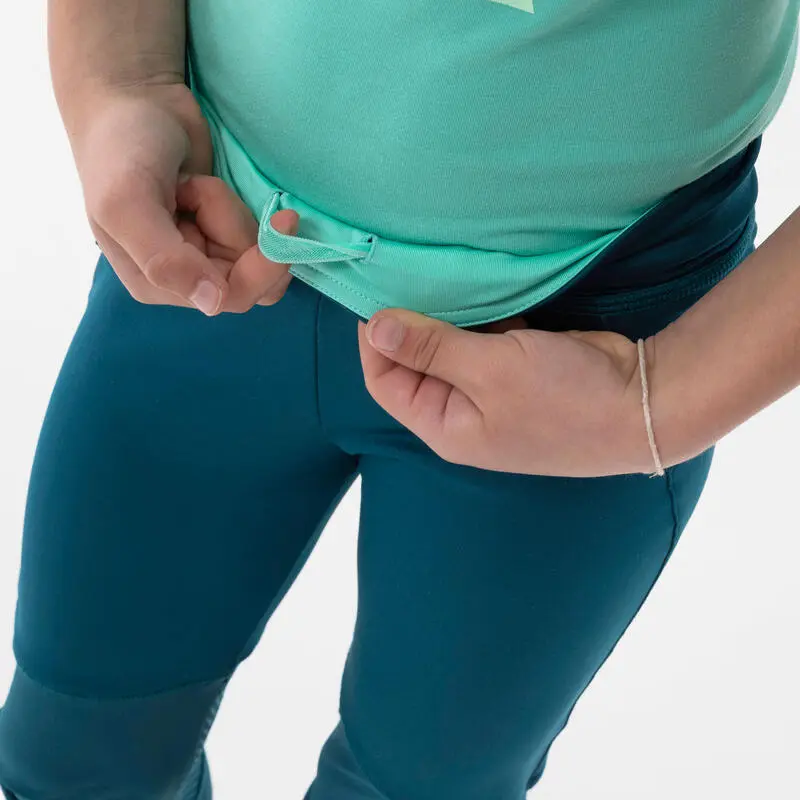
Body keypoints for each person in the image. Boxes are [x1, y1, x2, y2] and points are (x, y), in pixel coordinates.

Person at [0, 1, 798, 798]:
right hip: (217, 236)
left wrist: (659, 393)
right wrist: (122, 76)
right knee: (73, 766)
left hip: (580, 351)